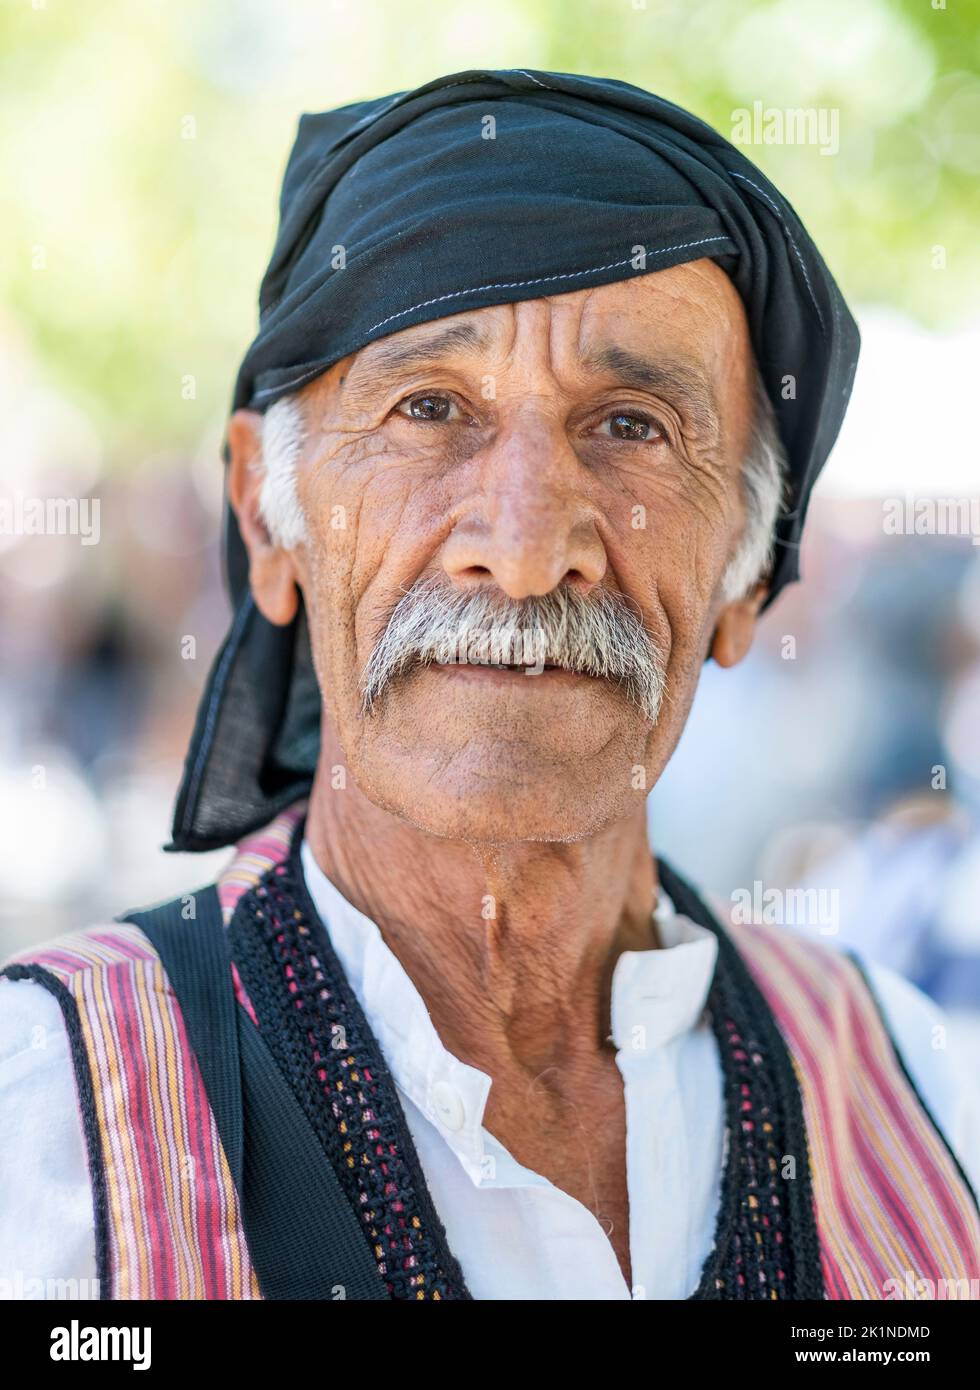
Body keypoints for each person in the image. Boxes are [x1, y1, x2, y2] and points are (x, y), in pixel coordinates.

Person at [2, 68, 977, 1302]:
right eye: (426, 408)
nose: (522, 548)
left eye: (629, 425)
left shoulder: (921, 1095)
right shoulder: (39, 1123)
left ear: (746, 572)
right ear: (266, 515)